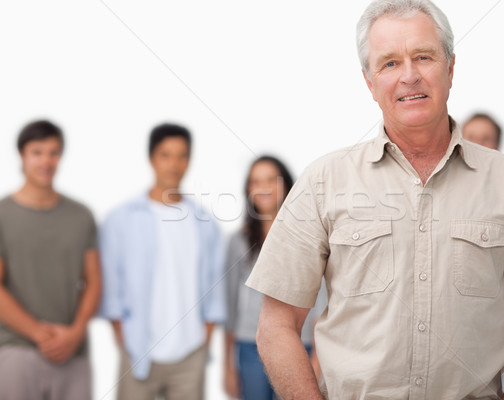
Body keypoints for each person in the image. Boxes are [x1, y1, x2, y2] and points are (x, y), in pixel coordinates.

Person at [245, 0, 504, 399]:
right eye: (389, 63)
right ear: (370, 82)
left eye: (423, 57)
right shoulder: (322, 182)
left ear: (451, 68)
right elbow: (277, 326)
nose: (409, 76)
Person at [99, 123, 226, 400]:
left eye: (182, 155)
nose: (174, 164)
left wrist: (204, 336)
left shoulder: (204, 224)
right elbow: (111, 283)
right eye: (165, 155)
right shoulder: (121, 218)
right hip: (138, 349)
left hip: (190, 352)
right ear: (151, 159)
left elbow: (215, 285)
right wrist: (123, 333)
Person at [0, 120, 101, 400]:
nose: (46, 161)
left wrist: (75, 333)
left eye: (54, 152)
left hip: (74, 351)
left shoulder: (81, 215)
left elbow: (94, 280)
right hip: (16, 351)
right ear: (22, 155)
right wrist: (38, 333)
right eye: (37, 152)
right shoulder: (2, 214)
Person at [224, 156, 326, 400]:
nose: (263, 187)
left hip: (299, 344)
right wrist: (227, 366)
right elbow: (229, 306)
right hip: (249, 346)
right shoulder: (237, 241)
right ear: (248, 189)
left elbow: (321, 302)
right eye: (256, 181)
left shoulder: (307, 236)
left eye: (271, 179)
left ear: (286, 185)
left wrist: (316, 361)